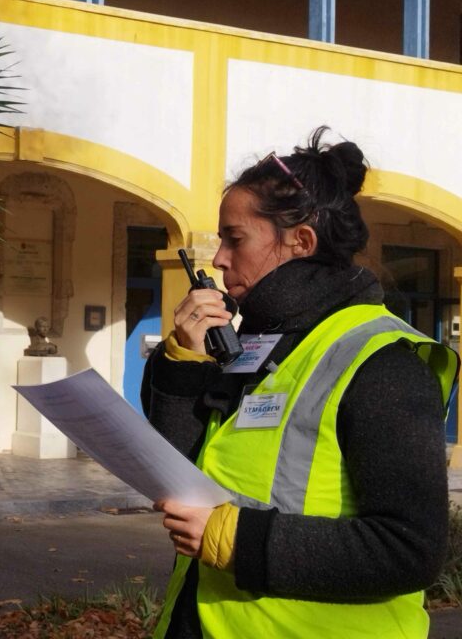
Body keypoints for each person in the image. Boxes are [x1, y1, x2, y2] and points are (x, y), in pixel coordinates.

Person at [140, 127, 459, 639]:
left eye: (234, 238)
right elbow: (184, 470)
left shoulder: (381, 363)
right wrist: (183, 363)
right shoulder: (259, 343)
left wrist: (233, 537)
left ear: (301, 243)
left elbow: (410, 550)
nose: (219, 258)